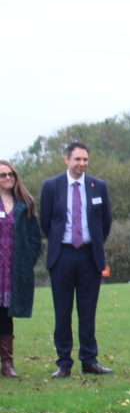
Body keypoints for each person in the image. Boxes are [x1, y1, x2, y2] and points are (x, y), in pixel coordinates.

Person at [39, 142, 114, 377]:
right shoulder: (51, 186)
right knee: (62, 311)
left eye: (85, 160)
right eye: (77, 159)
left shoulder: (98, 186)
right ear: (66, 160)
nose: (81, 164)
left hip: (89, 255)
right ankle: (63, 362)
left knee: (87, 310)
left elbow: (105, 222)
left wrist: (94, 243)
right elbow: (46, 222)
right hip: (62, 255)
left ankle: (89, 360)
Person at [0, 160, 42, 377]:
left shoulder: (25, 203)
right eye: (3, 175)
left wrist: (28, 260)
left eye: (11, 174)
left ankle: (7, 364)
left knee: (6, 314)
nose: (7, 178)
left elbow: (36, 237)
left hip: (14, 270)